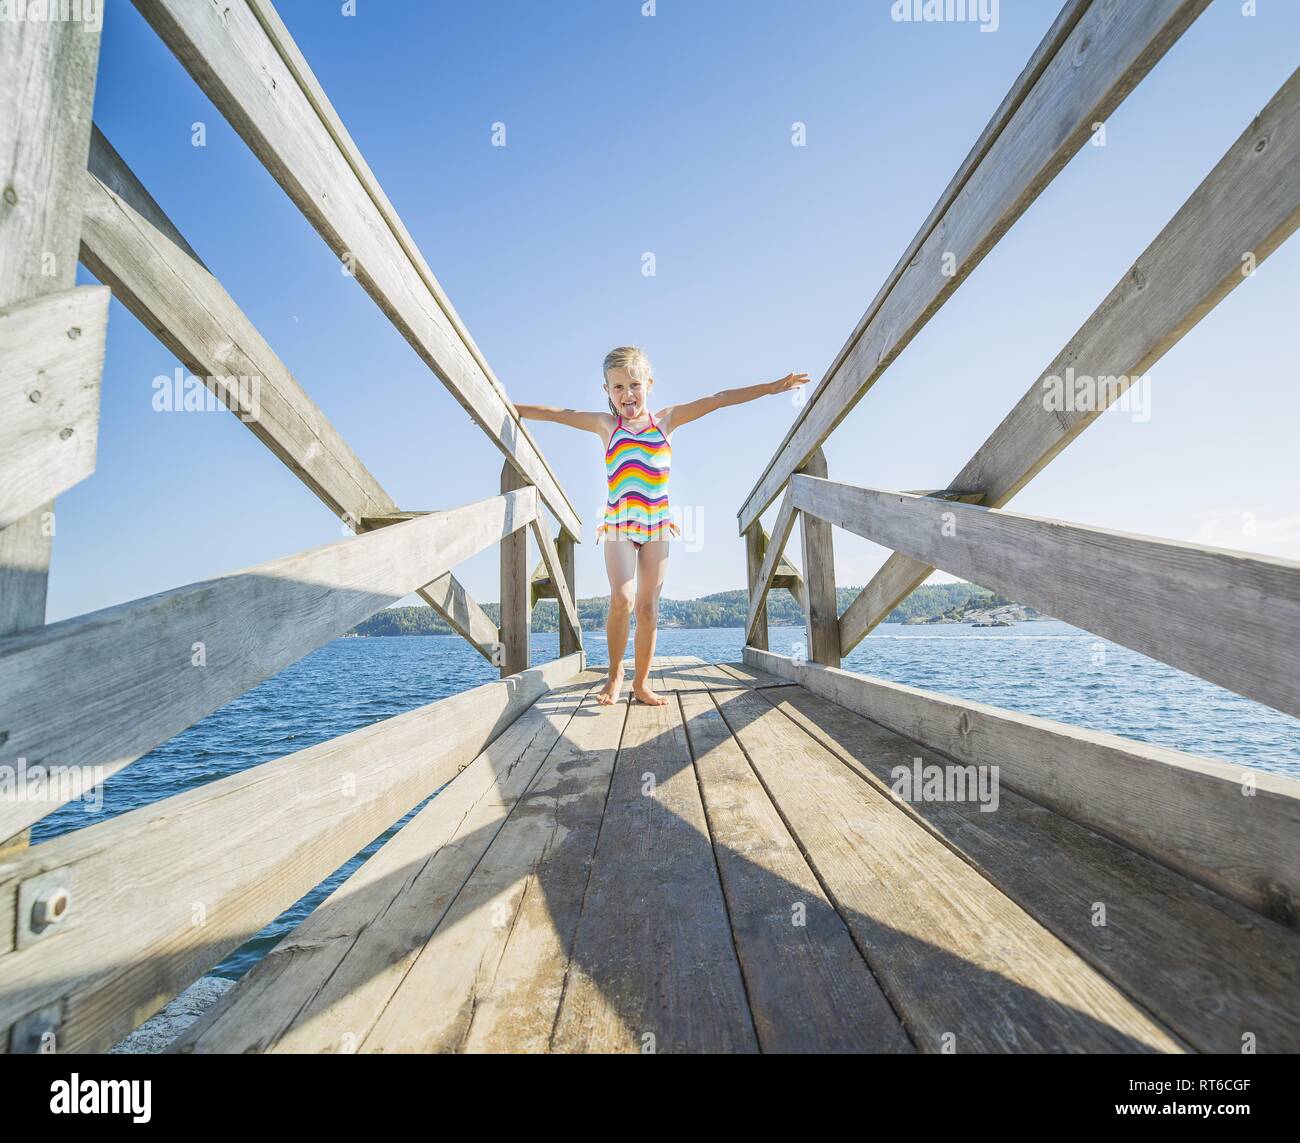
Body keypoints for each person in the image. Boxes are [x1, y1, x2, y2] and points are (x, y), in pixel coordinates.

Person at [516, 346, 810, 705]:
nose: (627, 394)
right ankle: (614, 674)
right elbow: (561, 414)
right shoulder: (606, 425)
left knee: (648, 608)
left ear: (649, 384)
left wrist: (770, 387)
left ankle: (640, 683)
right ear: (607, 390)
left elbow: (718, 399)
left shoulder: (666, 421)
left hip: (656, 527)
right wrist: (513, 409)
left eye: (634, 385)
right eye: (618, 387)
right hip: (619, 527)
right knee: (622, 599)